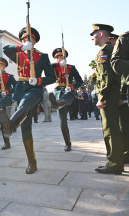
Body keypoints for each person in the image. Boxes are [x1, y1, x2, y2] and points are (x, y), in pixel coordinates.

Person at [2, 27, 56, 174]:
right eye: (24, 39)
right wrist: (21, 47)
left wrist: (38, 80)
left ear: (35, 40)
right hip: (21, 88)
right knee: (26, 127)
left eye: (30, 39)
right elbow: (6, 49)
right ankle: (32, 162)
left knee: (25, 104)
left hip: (35, 89)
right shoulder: (18, 54)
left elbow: (52, 77)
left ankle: (10, 125)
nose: (27, 41)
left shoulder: (43, 56)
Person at [90, 23, 123, 175]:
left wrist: (101, 97)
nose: (93, 38)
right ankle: (115, 161)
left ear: (101, 34)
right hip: (111, 94)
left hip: (109, 95)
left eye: (94, 35)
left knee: (110, 129)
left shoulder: (107, 50)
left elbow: (107, 77)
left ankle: (114, 163)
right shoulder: (106, 50)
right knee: (110, 128)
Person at [48, 48, 83, 151]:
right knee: (63, 122)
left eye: (61, 57)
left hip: (69, 91)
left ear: (65, 57)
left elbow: (80, 81)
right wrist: (58, 65)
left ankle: (59, 103)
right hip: (58, 91)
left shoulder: (71, 68)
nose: (59, 58)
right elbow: (47, 68)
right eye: (57, 57)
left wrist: (73, 86)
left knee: (66, 98)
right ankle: (68, 143)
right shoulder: (54, 68)